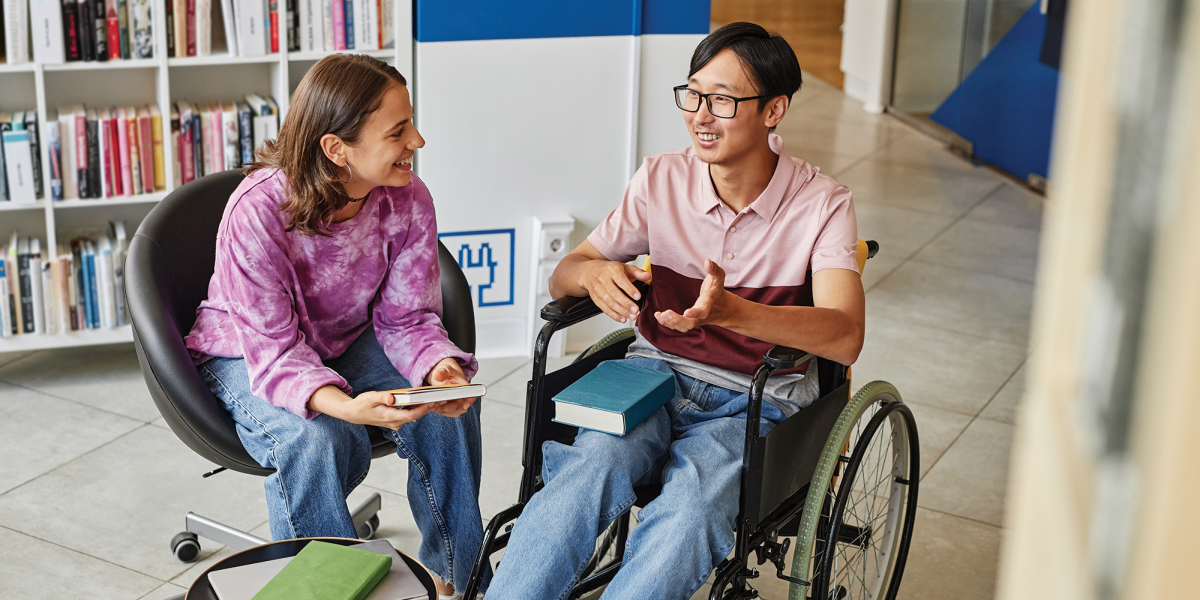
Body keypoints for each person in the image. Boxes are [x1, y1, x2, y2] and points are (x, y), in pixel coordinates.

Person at [485, 23, 864, 600]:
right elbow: (570, 271)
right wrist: (592, 273)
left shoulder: (823, 204)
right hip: (650, 377)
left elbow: (844, 337)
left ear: (774, 110)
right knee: (587, 472)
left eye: (722, 100)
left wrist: (734, 313)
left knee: (692, 509)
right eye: (692, 95)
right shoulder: (661, 178)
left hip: (757, 401)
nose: (700, 116)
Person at [184, 54, 486, 599]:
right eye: (398, 131)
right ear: (335, 148)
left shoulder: (408, 198)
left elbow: (406, 318)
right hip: (243, 352)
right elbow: (274, 352)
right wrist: (345, 406)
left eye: (411, 121)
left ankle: (457, 579)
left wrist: (438, 367)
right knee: (314, 437)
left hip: (339, 342)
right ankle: (324, 591)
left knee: (449, 403)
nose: (417, 140)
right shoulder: (257, 211)